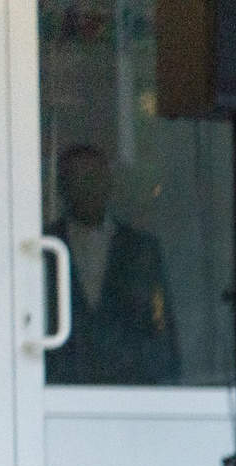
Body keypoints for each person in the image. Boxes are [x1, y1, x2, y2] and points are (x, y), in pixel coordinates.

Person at [45, 143, 180, 386]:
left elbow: (161, 323)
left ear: (108, 185)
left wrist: (165, 385)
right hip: (59, 390)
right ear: (63, 188)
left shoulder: (141, 249)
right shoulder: (44, 247)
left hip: (127, 390)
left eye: (94, 178)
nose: (87, 188)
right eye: (78, 179)